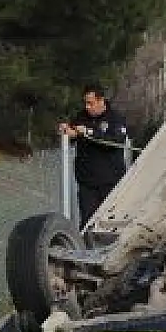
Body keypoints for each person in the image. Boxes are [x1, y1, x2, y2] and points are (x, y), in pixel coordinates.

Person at [58, 85, 130, 227]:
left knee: (110, 222)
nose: (87, 107)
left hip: (110, 182)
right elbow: (74, 134)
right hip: (87, 183)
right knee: (87, 222)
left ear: (101, 100)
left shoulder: (115, 119)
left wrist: (90, 132)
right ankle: (87, 248)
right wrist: (68, 132)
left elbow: (116, 141)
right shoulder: (81, 117)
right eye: (85, 103)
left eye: (90, 103)